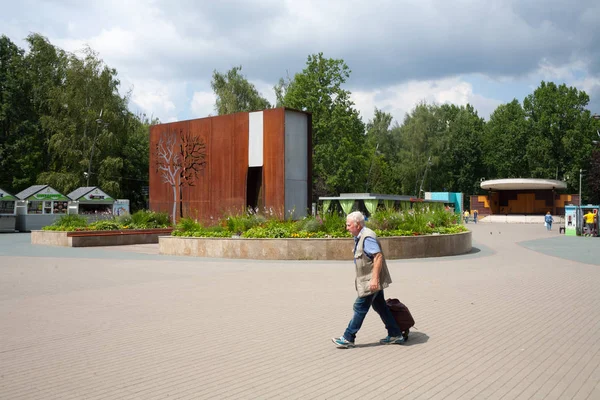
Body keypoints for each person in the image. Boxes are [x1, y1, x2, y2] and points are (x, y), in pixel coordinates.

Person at [331, 211, 404, 348]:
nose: (346, 228)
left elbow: (378, 257)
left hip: (371, 281)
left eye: (348, 225)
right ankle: (395, 334)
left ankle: (348, 337)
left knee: (360, 307)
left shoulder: (367, 237)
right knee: (380, 306)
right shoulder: (360, 236)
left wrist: (375, 280)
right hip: (369, 280)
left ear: (357, 225)